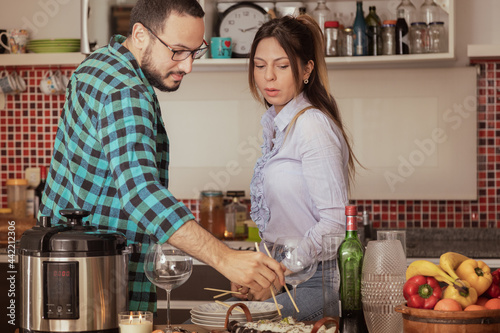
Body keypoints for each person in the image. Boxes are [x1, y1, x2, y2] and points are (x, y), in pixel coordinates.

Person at [38, 0, 284, 313]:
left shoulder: (97, 64)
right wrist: (226, 259)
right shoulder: (125, 90)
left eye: (195, 51)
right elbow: (142, 194)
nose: (187, 65)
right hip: (97, 283)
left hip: (61, 270)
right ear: (140, 35)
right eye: (178, 51)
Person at [230, 15, 358, 321]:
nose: (268, 77)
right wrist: (256, 268)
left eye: (282, 65)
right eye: (259, 66)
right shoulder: (276, 125)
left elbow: (334, 224)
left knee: (242, 323)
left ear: (306, 69)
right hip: (285, 278)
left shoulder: (311, 125)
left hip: (315, 283)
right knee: (233, 320)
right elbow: (284, 223)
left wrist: (278, 270)